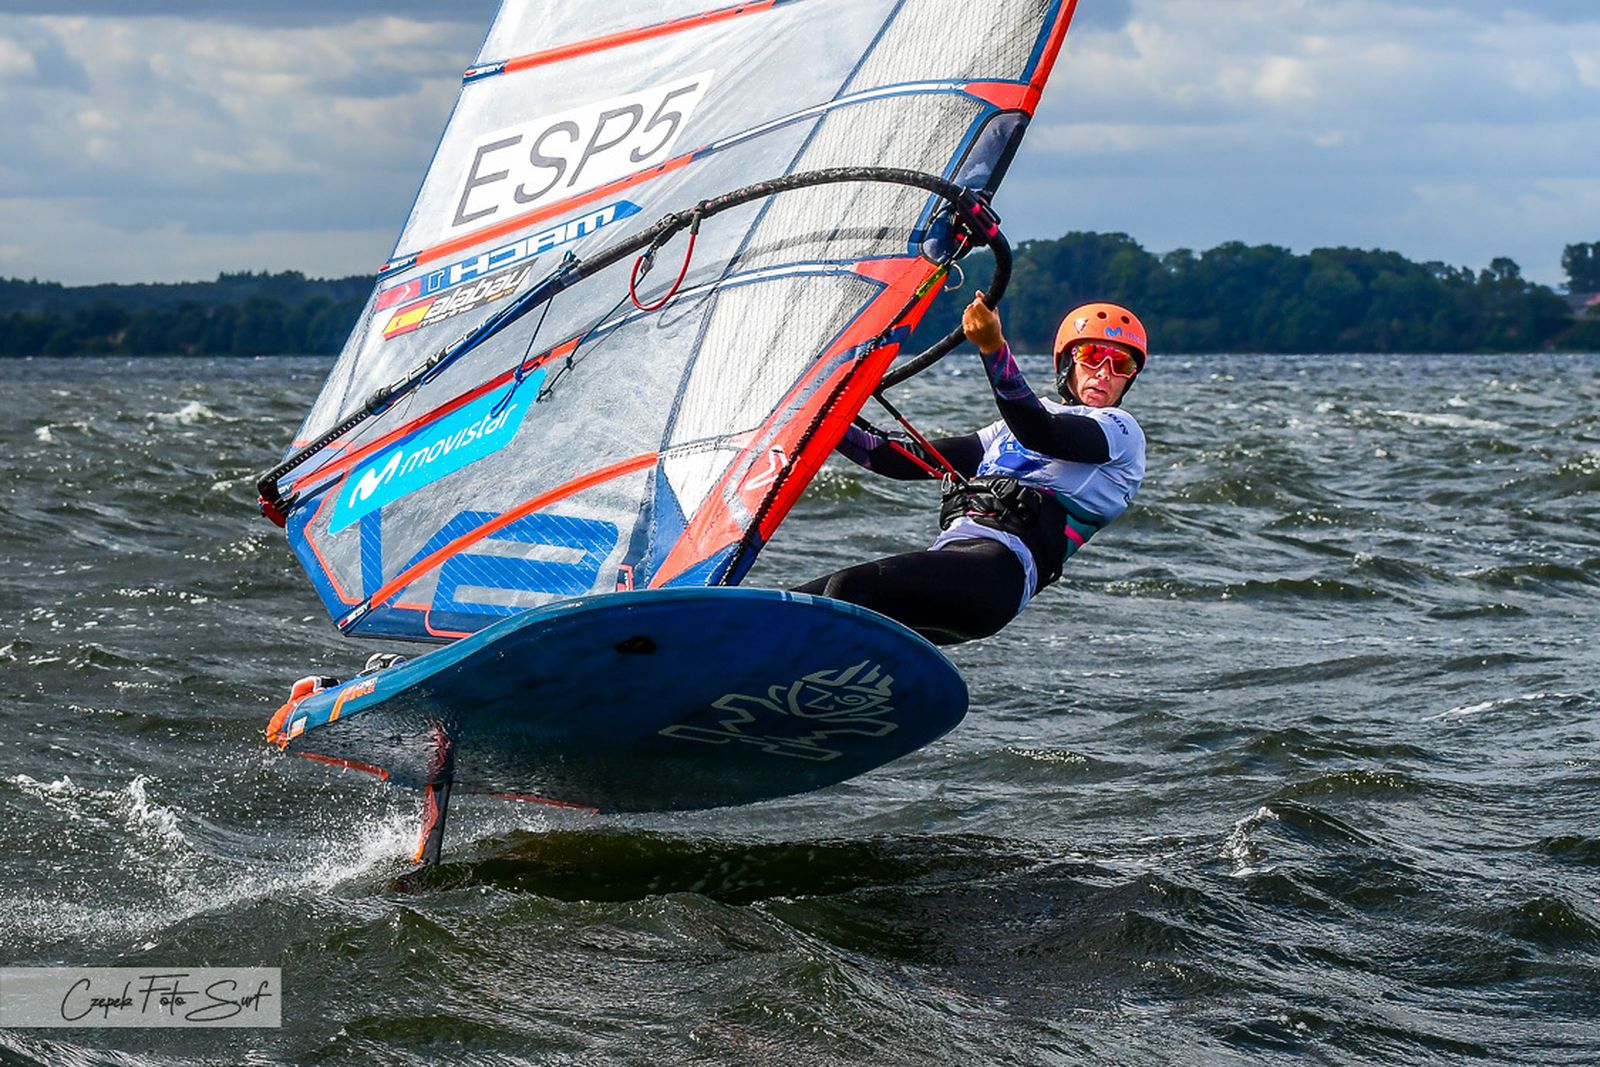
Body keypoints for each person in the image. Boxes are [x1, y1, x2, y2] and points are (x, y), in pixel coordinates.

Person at [794, 296, 1148, 644]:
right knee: (796, 602)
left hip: (999, 575)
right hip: (952, 560)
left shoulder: (1120, 431)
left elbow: (1042, 432)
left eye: (1121, 364)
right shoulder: (1009, 428)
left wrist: (994, 349)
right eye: (1091, 356)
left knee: (850, 591)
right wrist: (818, 416)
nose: (1105, 372)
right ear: (1067, 362)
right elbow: (897, 460)